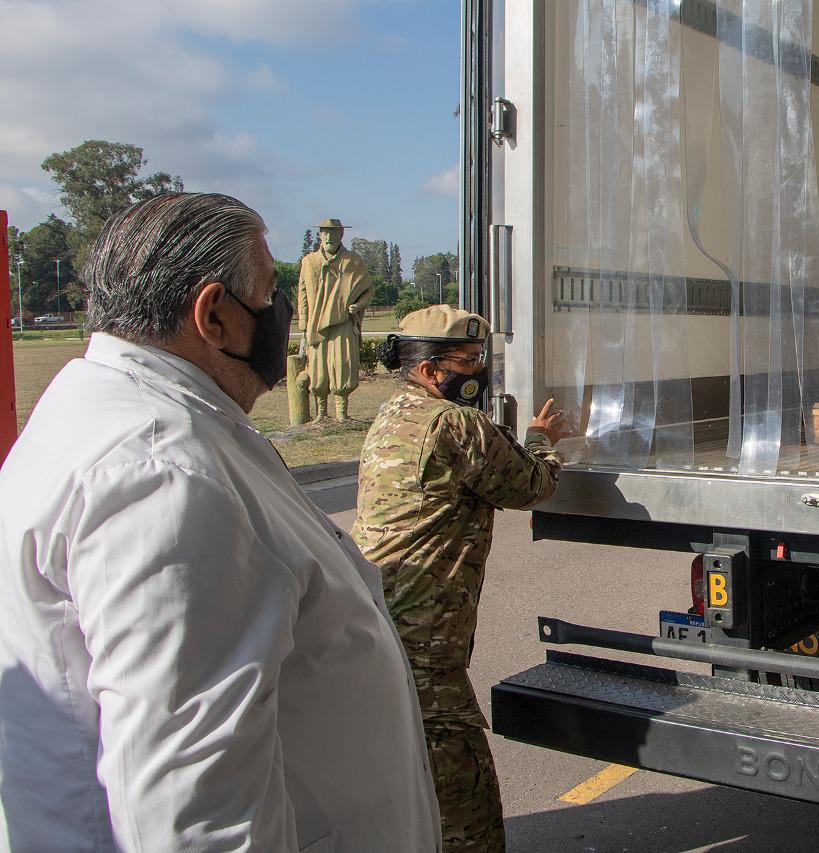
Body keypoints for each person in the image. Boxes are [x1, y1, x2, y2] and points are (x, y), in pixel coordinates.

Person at [0, 193, 441, 852]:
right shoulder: (164, 476)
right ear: (213, 315)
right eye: (267, 296)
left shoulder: (109, 418)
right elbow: (194, 811)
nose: (281, 315)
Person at [353, 305, 565, 852]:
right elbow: (531, 484)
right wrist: (541, 438)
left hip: (379, 625)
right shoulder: (453, 423)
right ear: (429, 370)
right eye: (468, 361)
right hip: (425, 648)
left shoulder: (393, 414)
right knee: (465, 804)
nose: (479, 372)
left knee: (406, 787)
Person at [296, 217, 373, 421]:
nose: (329, 237)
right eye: (325, 233)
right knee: (318, 370)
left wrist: (358, 305)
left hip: (343, 323)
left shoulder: (353, 261)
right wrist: (303, 323)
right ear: (320, 235)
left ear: (341, 235)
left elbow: (368, 290)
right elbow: (302, 294)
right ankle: (321, 414)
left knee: (342, 366)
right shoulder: (309, 262)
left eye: (333, 233)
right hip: (316, 325)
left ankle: (342, 414)